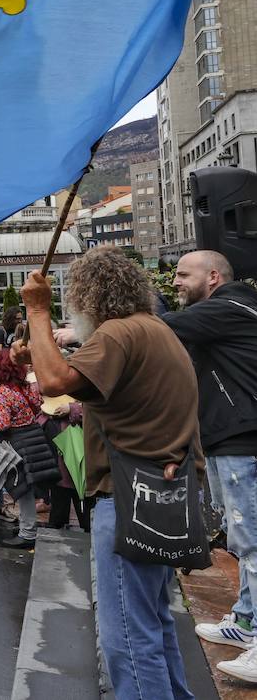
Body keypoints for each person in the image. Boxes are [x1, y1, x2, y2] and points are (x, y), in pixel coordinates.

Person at [22, 248, 202, 699]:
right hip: (163, 493)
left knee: (126, 633)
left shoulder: (118, 333)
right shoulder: (156, 329)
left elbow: (52, 381)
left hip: (127, 497)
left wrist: (37, 310)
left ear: (87, 296)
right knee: (155, 623)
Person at [162, 250, 257, 669]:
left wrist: (85, 331)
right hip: (226, 439)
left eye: (184, 275)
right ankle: (247, 621)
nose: (176, 282)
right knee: (241, 540)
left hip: (242, 440)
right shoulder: (220, 310)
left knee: (253, 539)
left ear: (213, 277)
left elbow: (159, 327)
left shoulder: (227, 307)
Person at [0, 347, 55, 549]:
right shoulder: (26, 387)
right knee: (28, 488)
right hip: (34, 440)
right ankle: (27, 525)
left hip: (17, 444)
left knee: (22, 489)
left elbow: (3, 423)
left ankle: (27, 533)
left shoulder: (3, 392)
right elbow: (38, 403)